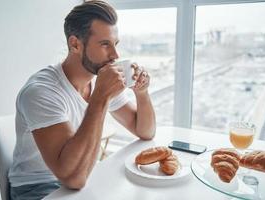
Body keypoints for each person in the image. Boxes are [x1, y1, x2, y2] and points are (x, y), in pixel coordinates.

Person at [8, 1, 156, 199]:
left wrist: (142, 93)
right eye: (105, 44)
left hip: (83, 177)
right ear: (75, 44)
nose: (115, 55)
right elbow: (74, 179)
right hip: (38, 188)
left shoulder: (99, 80)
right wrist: (100, 98)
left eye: (115, 44)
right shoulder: (41, 91)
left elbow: (145, 131)